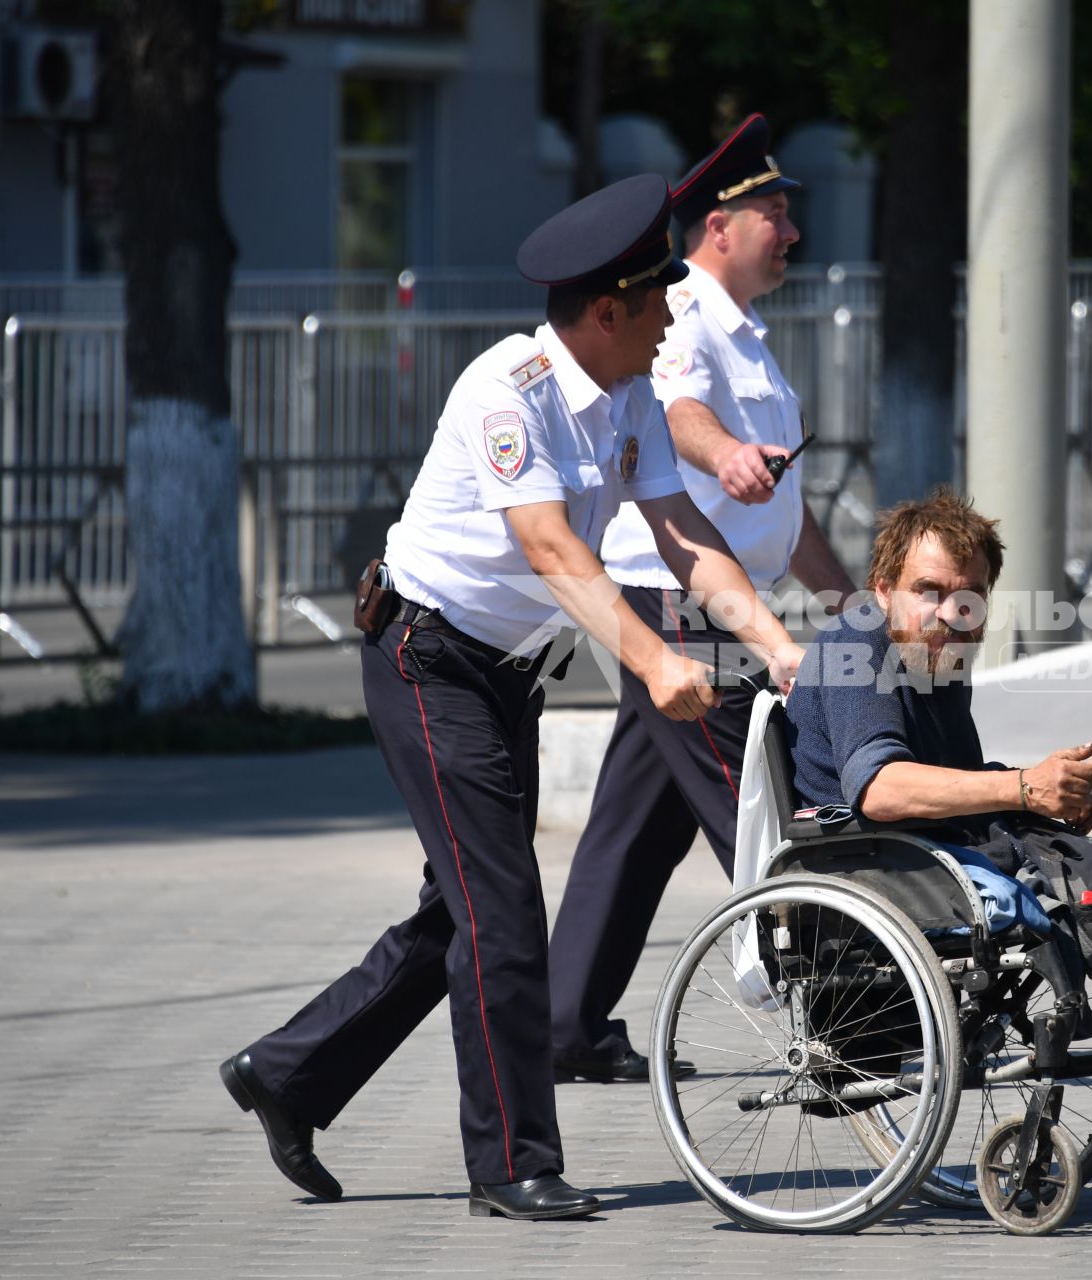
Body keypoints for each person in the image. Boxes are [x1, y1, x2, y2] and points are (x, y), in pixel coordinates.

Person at [219, 174, 804, 1223]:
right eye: (657, 297)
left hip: (502, 672)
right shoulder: (512, 388)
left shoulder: (630, 395)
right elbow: (553, 547)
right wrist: (654, 659)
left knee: (460, 909)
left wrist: (768, 635)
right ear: (607, 310)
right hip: (424, 658)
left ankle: (290, 1071)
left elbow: (676, 530)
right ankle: (512, 1163)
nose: (675, 311)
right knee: (502, 913)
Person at [545, 114, 856, 1084]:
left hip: (713, 595)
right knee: (760, 806)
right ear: (719, 224)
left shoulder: (748, 337)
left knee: (638, 825)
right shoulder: (681, 316)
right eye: (774, 212)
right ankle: (855, 1013)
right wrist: (723, 451)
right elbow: (679, 420)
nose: (791, 232)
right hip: (678, 599)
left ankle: (563, 1024)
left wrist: (852, 605)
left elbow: (784, 510)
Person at [785, 487, 1092, 835]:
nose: (952, 613)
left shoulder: (941, 653)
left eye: (970, 595)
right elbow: (879, 788)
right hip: (874, 862)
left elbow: (954, 776)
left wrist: (1058, 787)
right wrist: (1023, 788)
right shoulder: (853, 644)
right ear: (884, 591)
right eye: (929, 591)